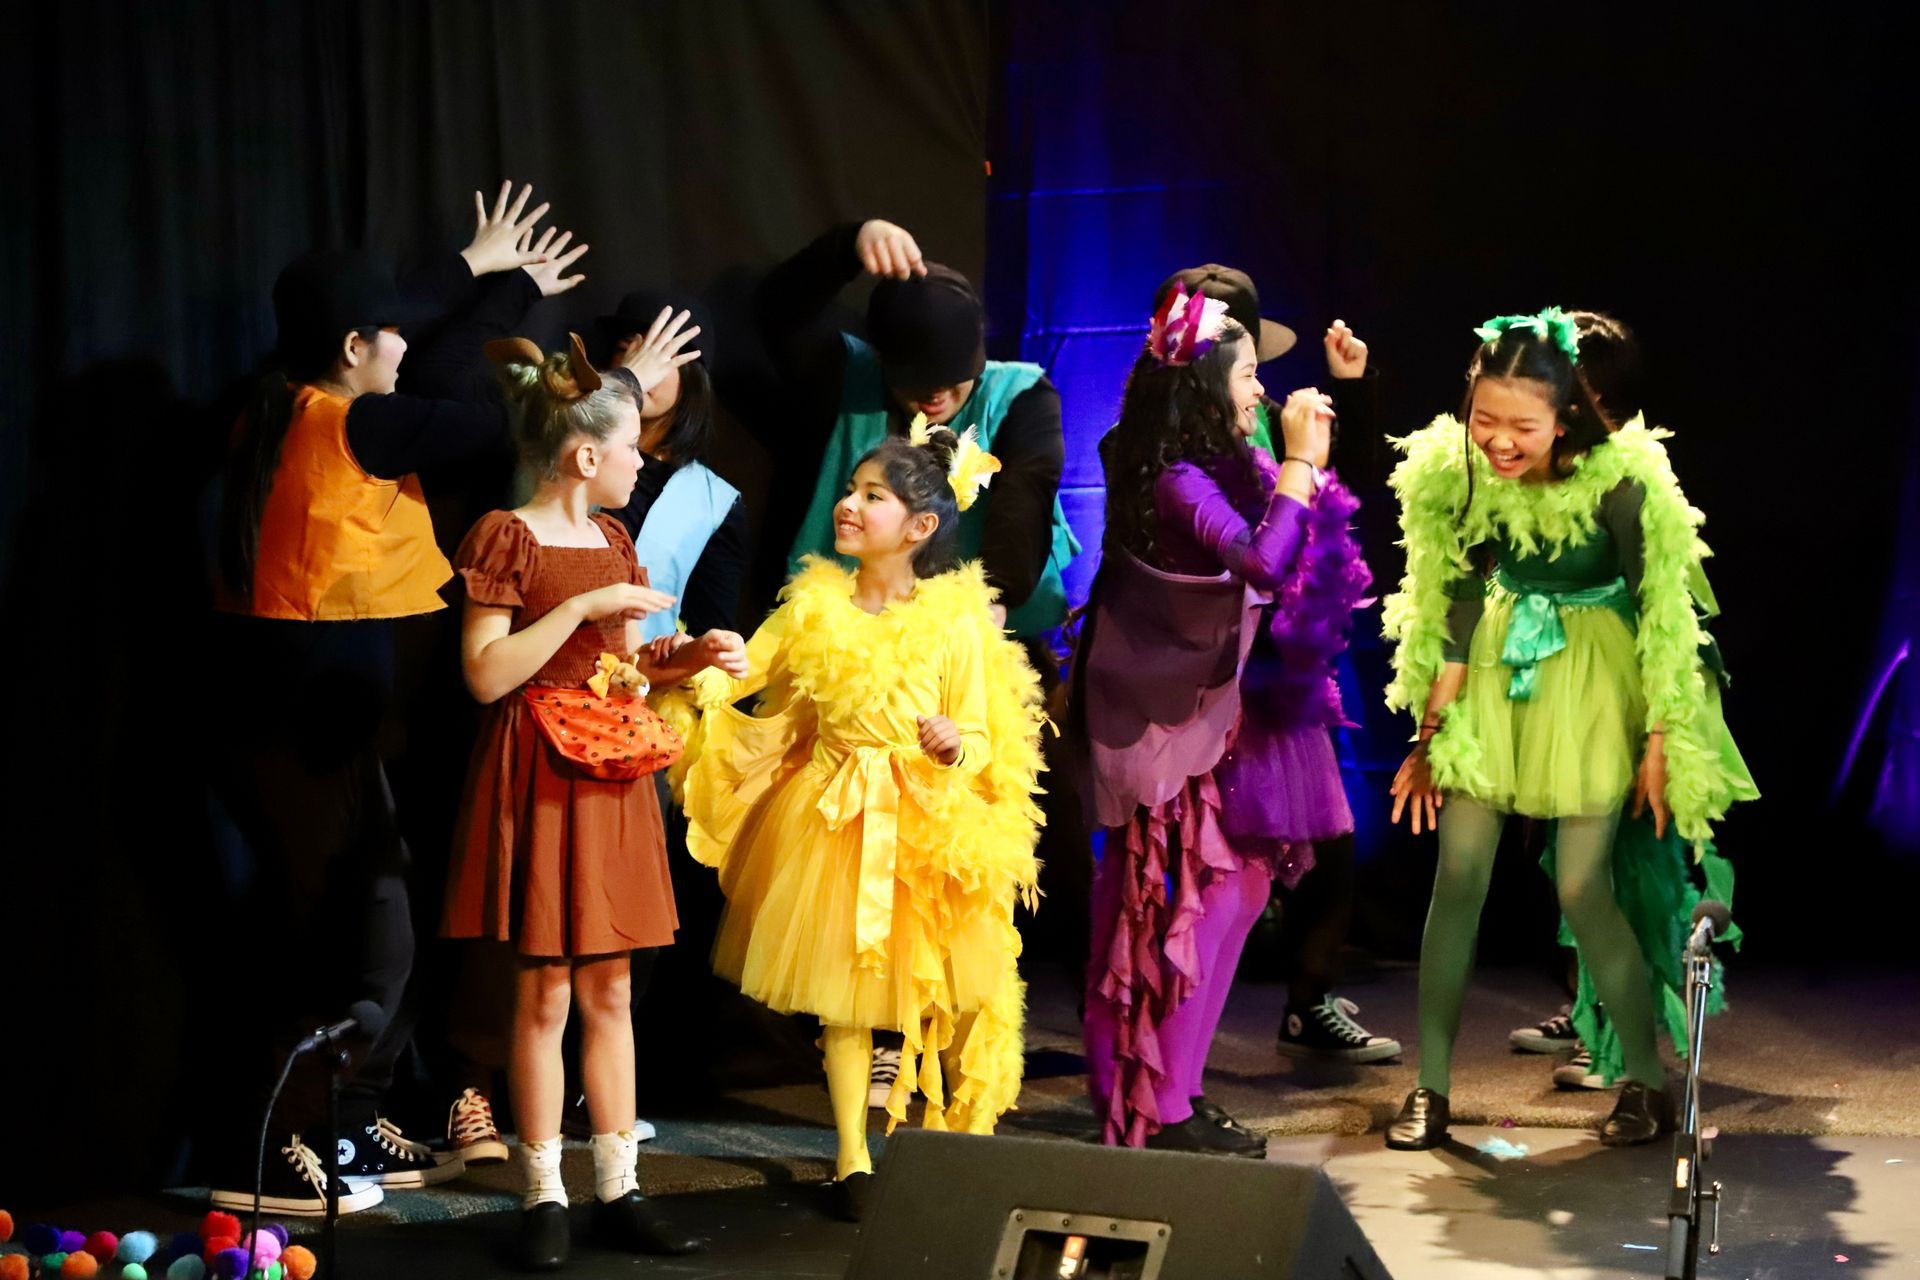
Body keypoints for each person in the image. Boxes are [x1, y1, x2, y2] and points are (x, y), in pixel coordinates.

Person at [205, 182, 585, 1214]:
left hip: (308, 729)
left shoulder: (270, 400)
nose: (408, 344)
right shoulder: (359, 428)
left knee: (385, 924)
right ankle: (264, 1144)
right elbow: (497, 419)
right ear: (351, 345)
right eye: (389, 335)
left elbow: (388, 329)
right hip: (301, 735)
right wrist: (569, 352)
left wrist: (472, 270)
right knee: (343, 941)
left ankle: (346, 1107)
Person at [1381, 307, 1755, 1149]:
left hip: (1592, 680)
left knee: (1584, 889)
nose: (1500, 442)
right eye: (1485, 420)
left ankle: (1645, 1083)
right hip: (1497, 669)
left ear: (1567, 418)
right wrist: (1430, 731)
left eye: (1522, 427)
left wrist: (1663, 742)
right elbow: (1459, 596)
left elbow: (1666, 614)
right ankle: (1430, 1088)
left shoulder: (1626, 484)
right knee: (1460, 874)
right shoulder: (1460, 473)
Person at [678, 428, 1047, 1221]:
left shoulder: (953, 624)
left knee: (944, 993)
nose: (849, 504)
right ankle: (852, 1156)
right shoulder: (813, 609)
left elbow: (984, 733)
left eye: (873, 496)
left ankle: (953, 1142)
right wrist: (708, 672)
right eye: (852, 489)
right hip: (835, 822)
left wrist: (957, 743)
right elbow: (748, 672)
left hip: (928, 828)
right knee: (845, 996)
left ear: (918, 527)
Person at [443, 330, 741, 1269]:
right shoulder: (508, 536)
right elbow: (487, 676)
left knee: (611, 986)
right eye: (628, 449)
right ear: (585, 457)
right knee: (543, 994)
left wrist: (686, 657)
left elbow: (625, 673)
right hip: (538, 767)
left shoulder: (613, 537)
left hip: (609, 768)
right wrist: (571, 608)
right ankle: (543, 1195)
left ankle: (618, 1185)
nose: (636, 462)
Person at [1077, 287, 1368, 1154]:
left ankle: (1184, 1093)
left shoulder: (1213, 463)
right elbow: (1262, 562)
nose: (1262, 392)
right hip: (1170, 722)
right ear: (1205, 385)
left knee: (1240, 895)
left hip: (1225, 711)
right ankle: (1160, 1108)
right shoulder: (1173, 479)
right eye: (1247, 374)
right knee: (1196, 909)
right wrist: (1301, 465)